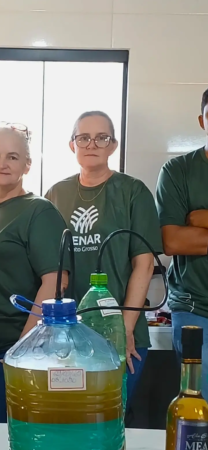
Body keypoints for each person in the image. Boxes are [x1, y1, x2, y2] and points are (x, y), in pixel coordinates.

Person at [45, 111, 161, 405]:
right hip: (69, 336)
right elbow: (52, 271)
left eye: (102, 137)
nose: (92, 144)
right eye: (83, 137)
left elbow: (144, 264)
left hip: (121, 332)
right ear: (72, 145)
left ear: (113, 145)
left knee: (109, 420)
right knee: (73, 422)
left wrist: (125, 329)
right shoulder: (56, 194)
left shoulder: (133, 192)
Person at [0, 124, 69, 423]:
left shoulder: (38, 211)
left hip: (15, 344)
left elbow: (56, 281)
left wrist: (24, 345)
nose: (2, 163)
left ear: (27, 165)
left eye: (12, 157)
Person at [156, 87, 208, 396]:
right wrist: (188, 223)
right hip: (195, 308)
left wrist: (200, 217)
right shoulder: (178, 171)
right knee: (199, 410)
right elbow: (172, 241)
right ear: (203, 121)